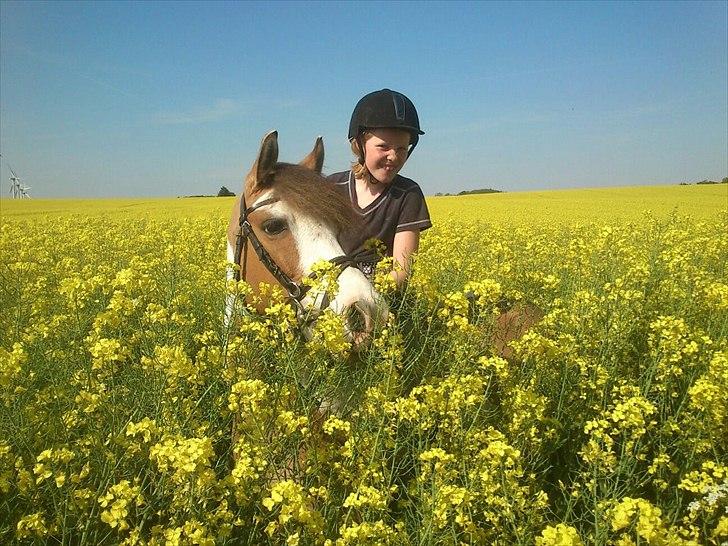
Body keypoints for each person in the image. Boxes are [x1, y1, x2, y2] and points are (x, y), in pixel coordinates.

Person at [328, 89, 432, 288]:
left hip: (382, 303)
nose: (393, 156)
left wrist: (362, 295)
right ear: (359, 145)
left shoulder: (407, 194)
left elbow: (402, 272)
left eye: (402, 148)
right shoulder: (332, 188)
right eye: (383, 147)